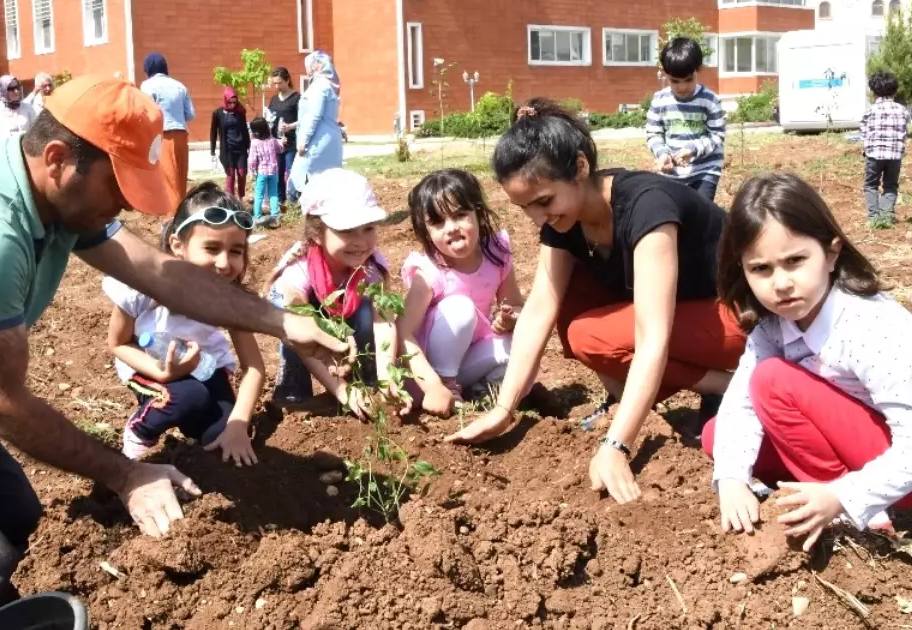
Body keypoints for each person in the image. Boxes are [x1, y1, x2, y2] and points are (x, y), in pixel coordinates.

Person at [0, 76, 347, 628]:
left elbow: (161, 274)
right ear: (57, 158)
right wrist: (127, 475)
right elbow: (1, 404)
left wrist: (279, 321)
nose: (128, 201)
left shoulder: (53, 200)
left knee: (24, 527)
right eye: (119, 183)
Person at [446, 99, 747, 506]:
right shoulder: (567, 220)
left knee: (591, 334)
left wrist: (617, 445)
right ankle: (714, 388)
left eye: (544, 201)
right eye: (525, 208)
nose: (538, 218)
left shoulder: (647, 205)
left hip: (737, 319)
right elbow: (539, 308)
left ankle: (735, 384)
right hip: (689, 321)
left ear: (581, 167)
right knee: (568, 300)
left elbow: (652, 336)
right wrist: (504, 408)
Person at [705, 172, 912, 549]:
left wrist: (841, 496)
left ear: (831, 253)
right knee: (720, 436)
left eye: (795, 261)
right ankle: (821, 493)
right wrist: (731, 479)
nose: (780, 284)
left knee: (772, 380)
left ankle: (855, 512)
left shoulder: (872, 325)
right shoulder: (773, 326)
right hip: (846, 441)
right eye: (760, 269)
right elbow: (742, 404)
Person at [106, 182, 266, 464]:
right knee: (188, 395)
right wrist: (164, 372)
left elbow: (253, 367)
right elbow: (118, 343)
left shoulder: (231, 301)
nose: (224, 263)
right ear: (178, 246)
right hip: (152, 365)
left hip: (206, 368)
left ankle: (194, 430)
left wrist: (238, 425)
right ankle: (139, 432)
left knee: (221, 436)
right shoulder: (143, 287)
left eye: (236, 251)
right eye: (212, 248)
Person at [268, 169, 404, 418]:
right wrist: (340, 390)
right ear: (316, 234)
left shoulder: (370, 265)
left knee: (366, 315)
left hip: (343, 308)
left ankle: (368, 381)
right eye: (348, 230)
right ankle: (293, 388)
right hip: (299, 316)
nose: (361, 241)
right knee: (291, 334)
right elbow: (301, 334)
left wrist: (387, 374)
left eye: (368, 228)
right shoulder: (300, 268)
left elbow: (383, 321)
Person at [399, 169, 523, 414]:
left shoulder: (496, 255)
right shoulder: (429, 273)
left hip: (470, 359)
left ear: (478, 212)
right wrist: (433, 386)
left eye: (460, 215)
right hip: (426, 375)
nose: (451, 228)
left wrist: (510, 319)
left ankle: (479, 392)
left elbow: (516, 304)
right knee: (460, 308)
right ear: (425, 231)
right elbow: (403, 334)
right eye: (438, 222)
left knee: (522, 348)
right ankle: (447, 388)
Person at [645, 37, 726, 202]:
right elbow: (653, 134)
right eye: (675, 81)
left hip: (705, 170)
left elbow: (717, 135)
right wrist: (662, 154)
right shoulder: (660, 100)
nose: (682, 88)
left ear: (698, 70)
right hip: (672, 173)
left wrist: (693, 150)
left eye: (688, 80)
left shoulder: (710, 100)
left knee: (701, 213)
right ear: (665, 74)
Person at [140, 53, 195, 204]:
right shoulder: (180, 86)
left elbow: (146, 113)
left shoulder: (147, 86)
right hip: (181, 135)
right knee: (180, 177)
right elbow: (190, 114)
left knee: (167, 179)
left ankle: (170, 218)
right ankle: (181, 214)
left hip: (162, 136)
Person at [288, 51, 344, 194]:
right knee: (327, 182)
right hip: (330, 139)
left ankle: (313, 213)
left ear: (315, 66)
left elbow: (314, 115)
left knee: (298, 182)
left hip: (318, 140)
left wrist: (303, 141)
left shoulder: (319, 86)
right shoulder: (329, 86)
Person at [860, 69, 910, 224]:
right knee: (890, 185)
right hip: (895, 156)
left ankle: (873, 218)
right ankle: (886, 217)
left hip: (874, 155)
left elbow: (864, 133)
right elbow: (904, 131)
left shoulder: (870, 111)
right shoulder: (902, 110)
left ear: (873, 91)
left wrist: (866, 150)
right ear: (894, 90)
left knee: (870, 185)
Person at [266, 67, 301, 204]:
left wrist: (290, 126)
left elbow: (304, 119)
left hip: (291, 142)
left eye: (279, 83)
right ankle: (280, 200)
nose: (277, 86)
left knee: (291, 171)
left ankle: (295, 198)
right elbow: (270, 116)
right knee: (278, 172)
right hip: (277, 142)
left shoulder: (297, 98)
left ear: (287, 80)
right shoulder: (274, 99)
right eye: (274, 83)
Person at [210, 87, 250, 200]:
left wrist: (249, 146)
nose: (232, 104)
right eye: (230, 102)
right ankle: (230, 199)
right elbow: (213, 132)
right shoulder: (218, 113)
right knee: (230, 174)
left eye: (235, 102)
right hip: (227, 149)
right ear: (225, 100)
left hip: (241, 148)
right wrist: (212, 150)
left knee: (242, 174)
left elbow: (244, 130)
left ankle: (241, 197)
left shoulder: (240, 112)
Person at [248, 117, 284, 228]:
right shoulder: (272, 140)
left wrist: (252, 171)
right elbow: (280, 149)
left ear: (256, 131)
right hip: (273, 171)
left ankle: (257, 217)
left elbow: (252, 159)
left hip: (261, 172)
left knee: (259, 195)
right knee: (273, 193)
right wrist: (282, 142)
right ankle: (275, 215)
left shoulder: (255, 143)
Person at [0, 74, 37, 147]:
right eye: (11, 89)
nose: (16, 91)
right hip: (2, 154)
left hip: (24, 152)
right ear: (3, 90)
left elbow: (35, 134)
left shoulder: (28, 108)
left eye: (17, 88)